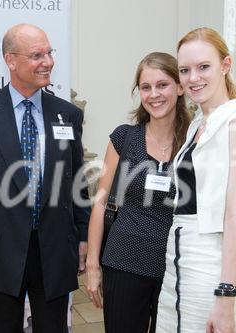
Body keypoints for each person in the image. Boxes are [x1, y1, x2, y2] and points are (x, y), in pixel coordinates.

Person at [0, 23, 90, 333]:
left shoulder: (67, 114)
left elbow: (77, 181)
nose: (48, 62)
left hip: (54, 249)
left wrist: (83, 236)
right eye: (37, 55)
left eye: (49, 53)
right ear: (11, 60)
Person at [156, 27, 236, 333]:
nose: (193, 78)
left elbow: (234, 214)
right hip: (179, 261)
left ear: (225, 66)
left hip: (211, 265)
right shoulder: (200, 124)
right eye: (185, 70)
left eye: (204, 67)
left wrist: (226, 294)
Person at [85, 52, 190, 333]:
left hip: (177, 267)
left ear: (180, 88)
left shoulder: (195, 141)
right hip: (124, 263)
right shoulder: (124, 138)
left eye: (162, 85)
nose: (154, 94)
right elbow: (100, 203)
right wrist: (92, 266)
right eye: (146, 87)